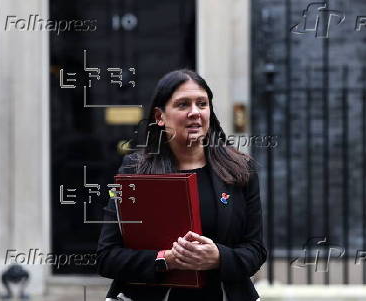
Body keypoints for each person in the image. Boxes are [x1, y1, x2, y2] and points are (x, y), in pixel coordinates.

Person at [96, 69, 267, 301]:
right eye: (183, 105)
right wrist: (164, 260)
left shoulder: (240, 170)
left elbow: (255, 251)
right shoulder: (133, 170)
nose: (194, 112)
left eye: (202, 104)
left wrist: (219, 257)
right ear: (160, 116)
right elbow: (107, 256)